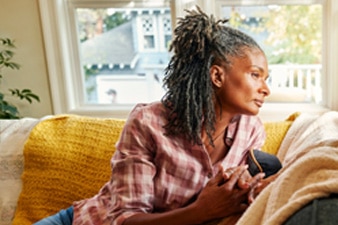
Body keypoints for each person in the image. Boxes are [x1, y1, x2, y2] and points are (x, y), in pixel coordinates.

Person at [34, 6, 275, 225]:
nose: (265, 89)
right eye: (256, 75)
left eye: (265, 79)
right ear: (217, 76)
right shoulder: (148, 122)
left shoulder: (251, 130)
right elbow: (124, 219)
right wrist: (203, 210)